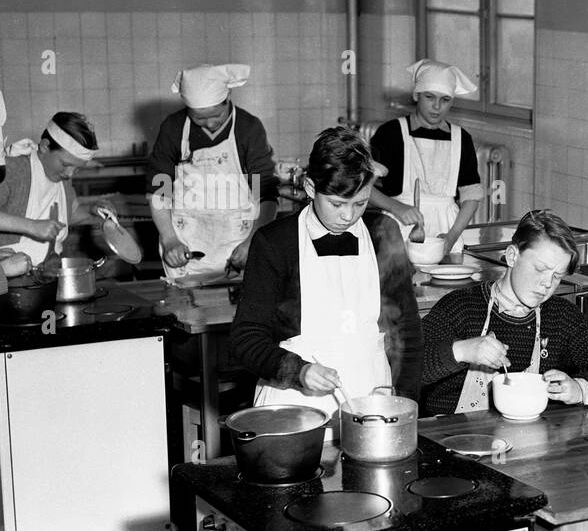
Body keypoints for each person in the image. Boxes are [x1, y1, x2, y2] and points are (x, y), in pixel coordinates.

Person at [230, 128, 421, 412]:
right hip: (296, 409)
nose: (348, 216)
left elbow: (407, 330)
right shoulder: (276, 243)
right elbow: (245, 340)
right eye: (337, 203)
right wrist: (298, 371)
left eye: (360, 203)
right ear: (310, 188)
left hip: (375, 404)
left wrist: (405, 403)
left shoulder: (383, 234)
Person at [420, 210, 588, 416]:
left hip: (529, 442)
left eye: (556, 276)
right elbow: (406, 368)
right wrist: (461, 351)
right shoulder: (461, 307)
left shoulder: (561, 317)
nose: (546, 284)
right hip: (452, 439)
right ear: (512, 256)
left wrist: (580, 388)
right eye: (541, 269)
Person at [147, 63, 278, 280]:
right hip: (186, 247)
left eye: (216, 115)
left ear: (228, 99)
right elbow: (160, 189)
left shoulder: (247, 129)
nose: (209, 123)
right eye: (199, 118)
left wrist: (254, 242)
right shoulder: (174, 128)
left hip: (238, 245)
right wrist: (169, 239)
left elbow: (264, 192)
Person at [368, 59, 484, 257]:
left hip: (446, 232)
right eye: (429, 97)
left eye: (445, 100)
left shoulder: (461, 139)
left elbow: (471, 195)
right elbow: (363, 187)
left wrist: (452, 236)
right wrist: (396, 207)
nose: (437, 106)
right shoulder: (391, 133)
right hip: (397, 228)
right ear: (416, 94)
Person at [0, 111, 99, 274]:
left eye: (77, 168)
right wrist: (31, 226)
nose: (70, 174)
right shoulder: (14, 170)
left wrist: (92, 211)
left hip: (49, 272)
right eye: (65, 163)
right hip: (7, 276)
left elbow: (67, 215)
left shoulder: (63, 177)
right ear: (45, 146)